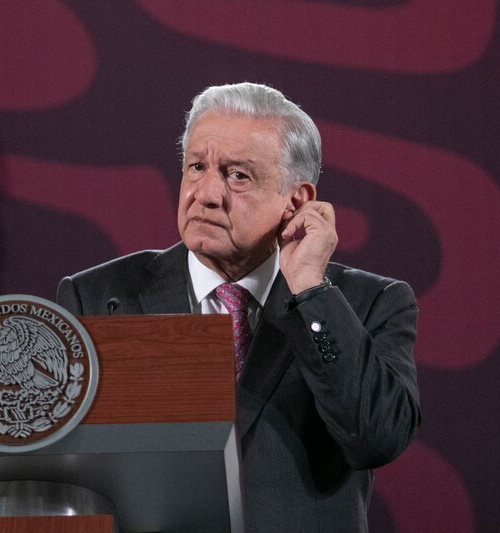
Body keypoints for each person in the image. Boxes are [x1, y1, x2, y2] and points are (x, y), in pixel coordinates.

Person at [57, 82, 421, 532]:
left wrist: (310, 289)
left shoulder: (367, 303)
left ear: (296, 202)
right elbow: (66, 470)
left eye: (238, 176)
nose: (206, 193)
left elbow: (377, 438)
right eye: (196, 166)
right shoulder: (98, 297)